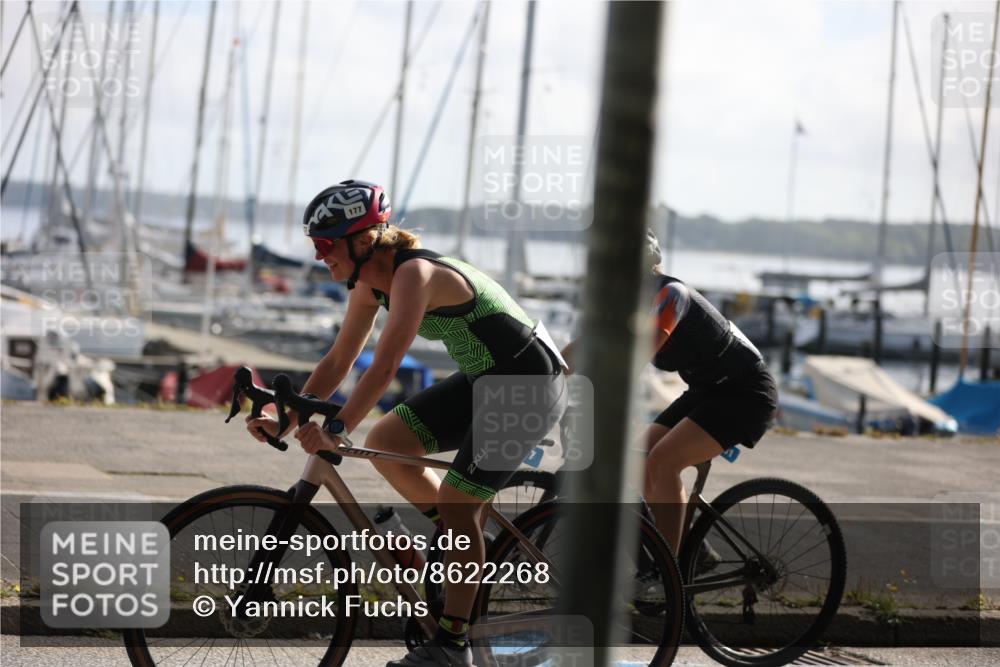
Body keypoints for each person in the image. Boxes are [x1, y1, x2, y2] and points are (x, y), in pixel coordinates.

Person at [245, 179, 567, 667]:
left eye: (325, 245)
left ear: (362, 240)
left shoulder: (414, 274)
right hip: (484, 378)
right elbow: (339, 360)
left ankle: (452, 645)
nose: (317, 256)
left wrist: (337, 430)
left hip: (528, 385)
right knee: (389, 441)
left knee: (458, 503)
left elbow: (384, 367)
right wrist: (284, 421)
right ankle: (461, 551)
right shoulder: (367, 286)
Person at [563, 230, 778, 554]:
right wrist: (549, 373)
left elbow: (644, 351)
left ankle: (669, 570)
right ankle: (694, 552)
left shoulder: (671, 295)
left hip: (745, 393)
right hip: (707, 389)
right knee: (637, 461)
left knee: (663, 462)